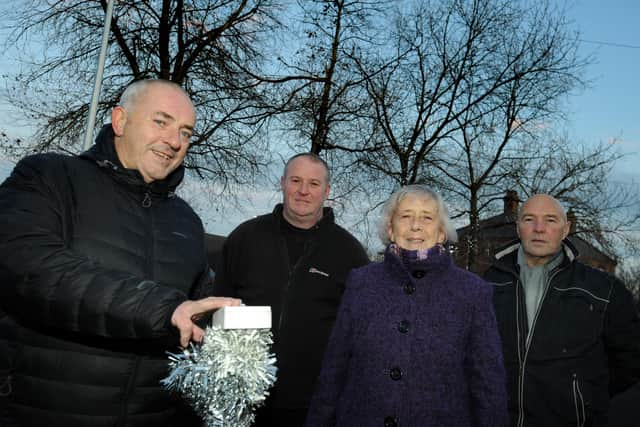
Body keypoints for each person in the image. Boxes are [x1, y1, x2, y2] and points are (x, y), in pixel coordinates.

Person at [0, 79, 241, 426]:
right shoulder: (49, 177)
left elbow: (194, 319)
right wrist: (164, 309)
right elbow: (30, 269)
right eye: (161, 121)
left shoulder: (187, 222)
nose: (174, 141)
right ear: (120, 120)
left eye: (186, 132)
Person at [305, 185, 508, 427]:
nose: (415, 225)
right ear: (390, 229)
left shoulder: (473, 292)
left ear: (442, 232)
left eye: (427, 217)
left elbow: (487, 384)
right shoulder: (361, 283)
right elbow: (334, 368)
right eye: (405, 216)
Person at [213, 152, 370, 426]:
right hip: (243, 393)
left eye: (313, 183)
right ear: (283, 183)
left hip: (312, 401)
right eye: (296, 180)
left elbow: (360, 332)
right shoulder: (245, 237)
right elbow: (216, 306)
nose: (303, 191)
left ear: (327, 191)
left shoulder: (350, 253)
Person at [484, 194, 640, 427]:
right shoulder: (485, 285)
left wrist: (584, 397)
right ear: (518, 227)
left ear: (565, 229)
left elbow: (629, 362)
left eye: (550, 220)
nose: (539, 229)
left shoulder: (604, 289)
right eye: (529, 219)